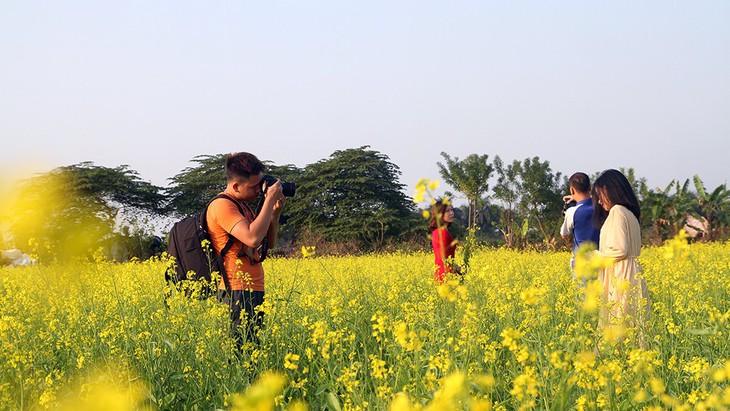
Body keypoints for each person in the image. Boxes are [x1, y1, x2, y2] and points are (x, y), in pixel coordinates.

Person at [206, 152, 285, 346]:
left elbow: (266, 244)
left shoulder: (242, 206)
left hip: (251, 288)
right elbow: (252, 237)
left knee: (252, 350)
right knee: (241, 352)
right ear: (235, 186)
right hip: (236, 290)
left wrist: (274, 215)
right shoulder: (222, 206)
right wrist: (268, 201)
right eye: (254, 186)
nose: (259, 190)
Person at [591, 169, 649, 340]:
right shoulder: (629, 214)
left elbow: (620, 250)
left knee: (617, 324)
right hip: (632, 274)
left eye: (601, 195)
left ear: (612, 190)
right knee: (632, 324)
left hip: (620, 274)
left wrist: (595, 257)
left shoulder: (617, 212)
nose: (600, 202)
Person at [560, 172, 600, 273]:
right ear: (590, 187)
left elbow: (564, 235)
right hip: (602, 259)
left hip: (581, 262)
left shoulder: (572, 212)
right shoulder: (602, 207)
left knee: (582, 288)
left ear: (572, 190)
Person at [429, 199, 460, 284]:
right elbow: (444, 259)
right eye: (447, 211)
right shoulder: (442, 233)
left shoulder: (438, 231)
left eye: (451, 210)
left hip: (442, 273)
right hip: (446, 275)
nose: (451, 213)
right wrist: (459, 269)